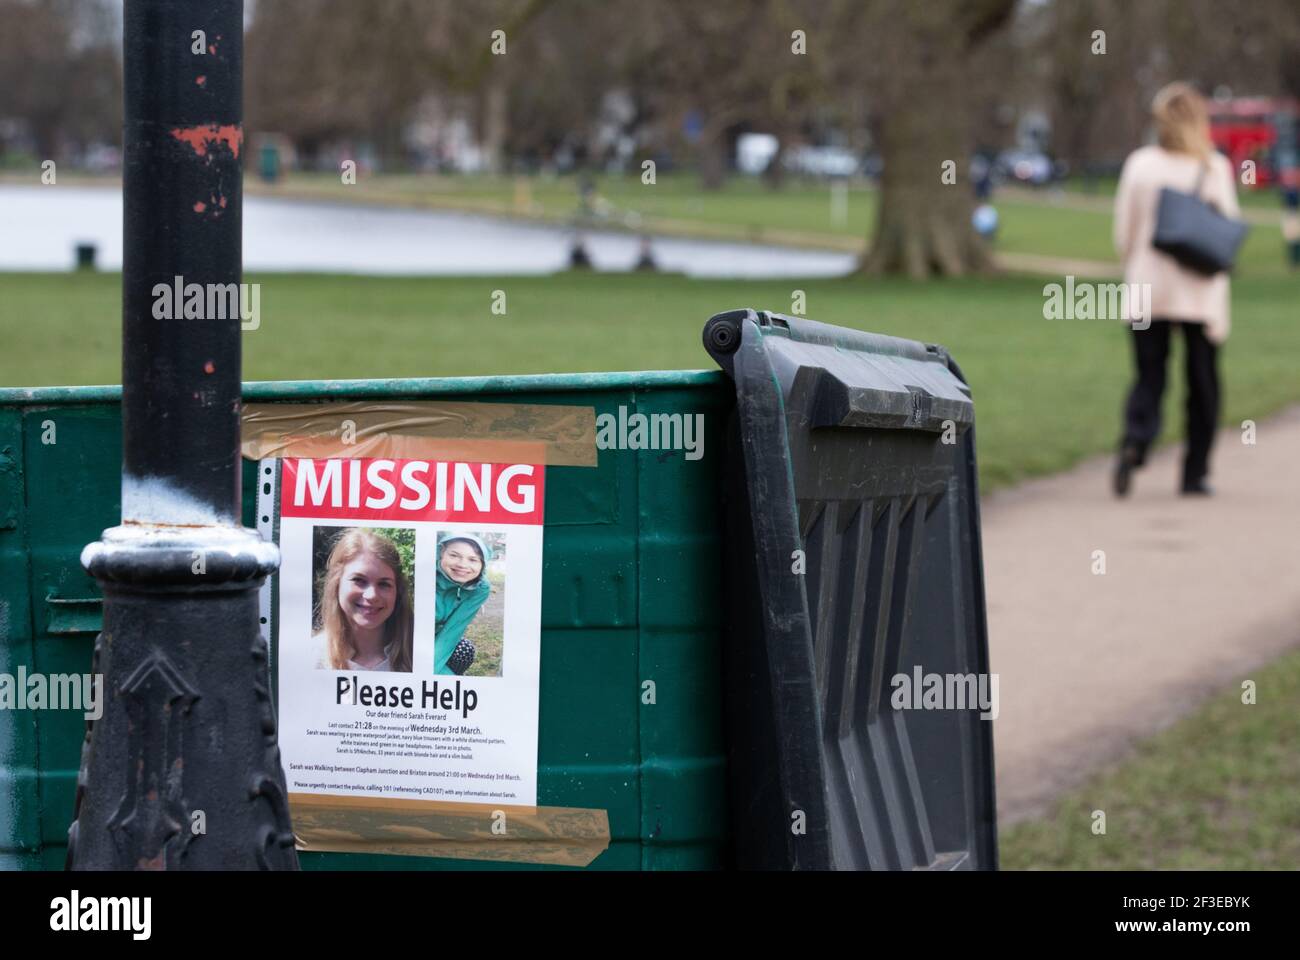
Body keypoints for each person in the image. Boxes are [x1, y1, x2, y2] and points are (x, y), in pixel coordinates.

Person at [1113, 81, 1240, 497]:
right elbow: (1226, 232)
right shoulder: (1213, 166)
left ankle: (1136, 442)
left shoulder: (1140, 164)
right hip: (1199, 292)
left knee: (1150, 376)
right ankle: (1195, 472)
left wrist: (1133, 266)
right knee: (1202, 383)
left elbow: (1125, 232)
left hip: (1149, 288)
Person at [312, 528, 413, 672]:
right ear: (337, 583)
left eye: (384, 584)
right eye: (359, 580)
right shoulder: (311, 657)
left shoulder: (417, 657)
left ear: (397, 591)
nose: (372, 595)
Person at [434, 534, 492, 675]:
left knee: (464, 649)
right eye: (454, 555)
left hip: (437, 637)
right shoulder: (421, 574)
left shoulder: (480, 589)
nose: (462, 565)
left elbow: (452, 631)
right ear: (441, 552)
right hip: (404, 637)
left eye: (473, 559)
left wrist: (429, 673)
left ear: (482, 564)